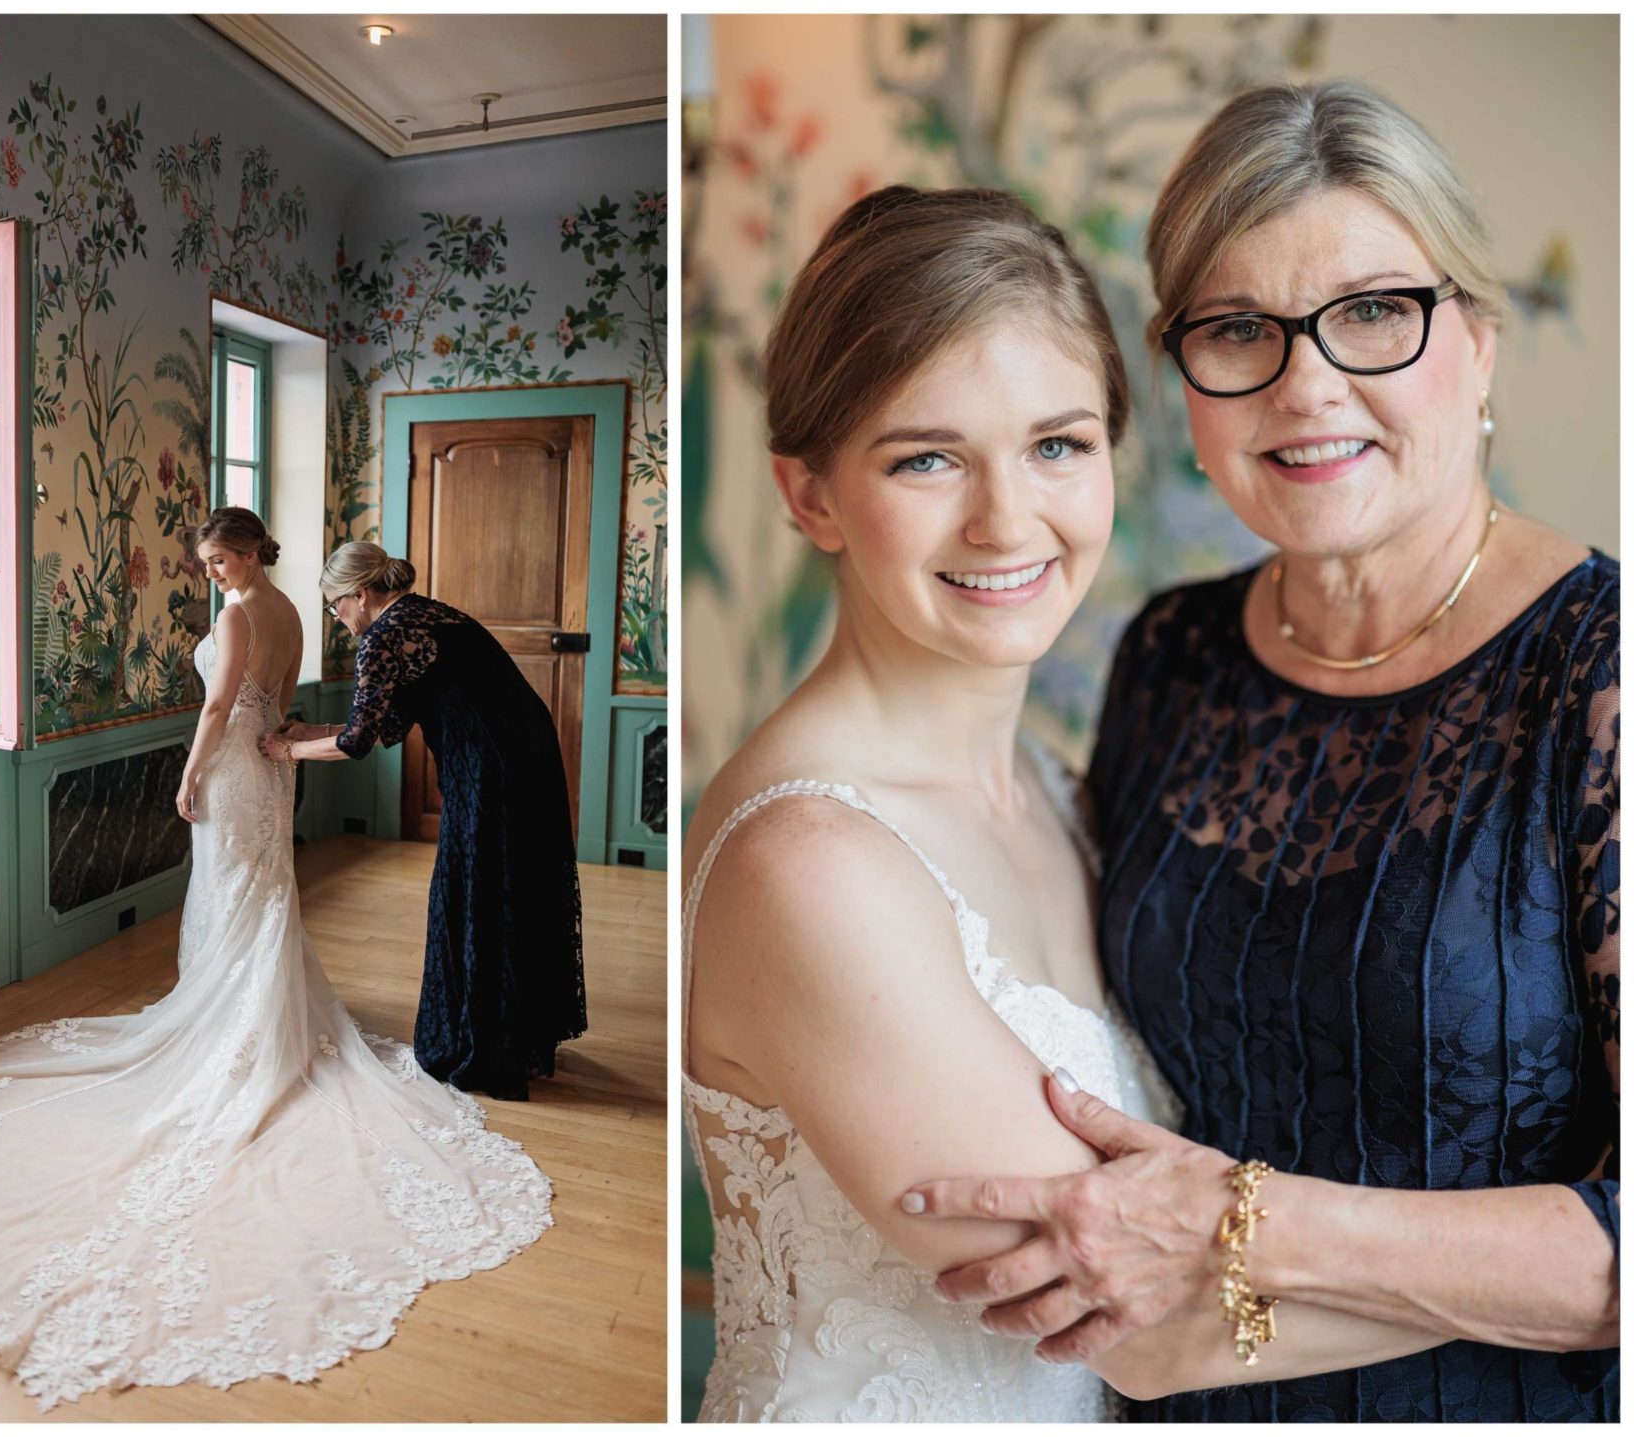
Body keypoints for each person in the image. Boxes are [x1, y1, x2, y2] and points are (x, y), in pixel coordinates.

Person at [898, 81, 1619, 1423]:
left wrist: (1245, 1223)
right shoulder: (1171, 655)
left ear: (1480, 339)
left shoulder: (1601, 677)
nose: (1305, 384)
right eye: (1239, 330)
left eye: (1373, 314)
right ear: (1185, 374)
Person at [0, 506, 551, 1412]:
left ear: (250, 555)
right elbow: (303, 707)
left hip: (241, 763)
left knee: (239, 895)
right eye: (203, 561)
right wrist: (274, 743)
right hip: (276, 763)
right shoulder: (286, 607)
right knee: (264, 893)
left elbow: (227, 705)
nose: (208, 573)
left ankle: (236, 1029)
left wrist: (189, 770)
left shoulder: (257, 612)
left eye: (215, 559)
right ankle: (267, 1014)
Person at [681, 184, 1198, 1422]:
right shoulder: (808, 865)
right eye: (927, 458)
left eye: (1057, 444)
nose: (1008, 519)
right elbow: (1155, 1336)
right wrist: (1580, 1282)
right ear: (810, 498)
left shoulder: (1063, 791)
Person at [263, 541, 585, 1102]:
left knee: (476, 891)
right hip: (530, 756)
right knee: (514, 887)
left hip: (488, 770)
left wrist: (287, 753)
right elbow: (386, 723)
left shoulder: (383, 636)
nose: (338, 621)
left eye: (335, 606)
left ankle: (483, 1048)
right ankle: (514, 1035)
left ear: (361, 595)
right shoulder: (433, 615)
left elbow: (360, 742)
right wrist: (308, 731)